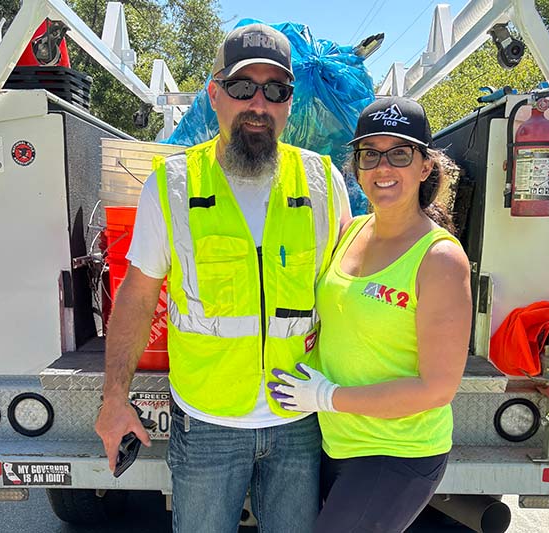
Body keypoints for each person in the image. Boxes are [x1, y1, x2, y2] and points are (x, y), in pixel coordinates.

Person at [95, 23, 352, 533]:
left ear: (289, 103)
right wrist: (114, 398)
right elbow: (138, 295)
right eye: (242, 87)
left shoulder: (324, 182)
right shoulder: (172, 185)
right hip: (207, 423)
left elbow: (349, 295)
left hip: (298, 419)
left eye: (275, 91)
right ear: (214, 95)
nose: (258, 103)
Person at [270, 96, 472, 532]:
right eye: (370, 154)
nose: (383, 167)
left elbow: (437, 388)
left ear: (425, 166)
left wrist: (328, 397)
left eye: (399, 154)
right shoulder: (352, 231)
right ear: (357, 168)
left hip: (397, 451)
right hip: (337, 442)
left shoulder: (439, 258)